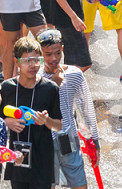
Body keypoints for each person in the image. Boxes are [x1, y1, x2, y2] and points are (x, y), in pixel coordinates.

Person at [36, 28, 98, 189]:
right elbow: (34, 110)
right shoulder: (34, 79)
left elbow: (87, 110)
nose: (53, 58)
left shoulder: (74, 75)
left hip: (68, 141)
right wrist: (53, 85)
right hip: (44, 143)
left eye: (57, 53)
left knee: (80, 185)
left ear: (62, 49)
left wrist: (94, 141)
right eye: (48, 54)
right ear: (40, 53)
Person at [0, 36, 62, 189]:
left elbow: (59, 125)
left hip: (43, 160)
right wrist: (7, 122)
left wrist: (46, 121)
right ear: (17, 62)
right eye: (27, 60)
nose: (33, 65)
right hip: (18, 156)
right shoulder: (7, 88)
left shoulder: (50, 88)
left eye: (36, 60)